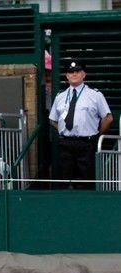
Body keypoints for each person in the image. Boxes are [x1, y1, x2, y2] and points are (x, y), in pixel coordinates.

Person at [49, 58, 113, 190]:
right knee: (63, 180)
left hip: (86, 143)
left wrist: (96, 133)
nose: (74, 74)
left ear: (84, 74)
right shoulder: (60, 96)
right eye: (71, 72)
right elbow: (53, 120)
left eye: (78, 71)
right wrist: (64, 129)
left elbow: (108, 118)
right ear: (66, 75)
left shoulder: (95, 95)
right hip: (65, 143)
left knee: (87, 180)